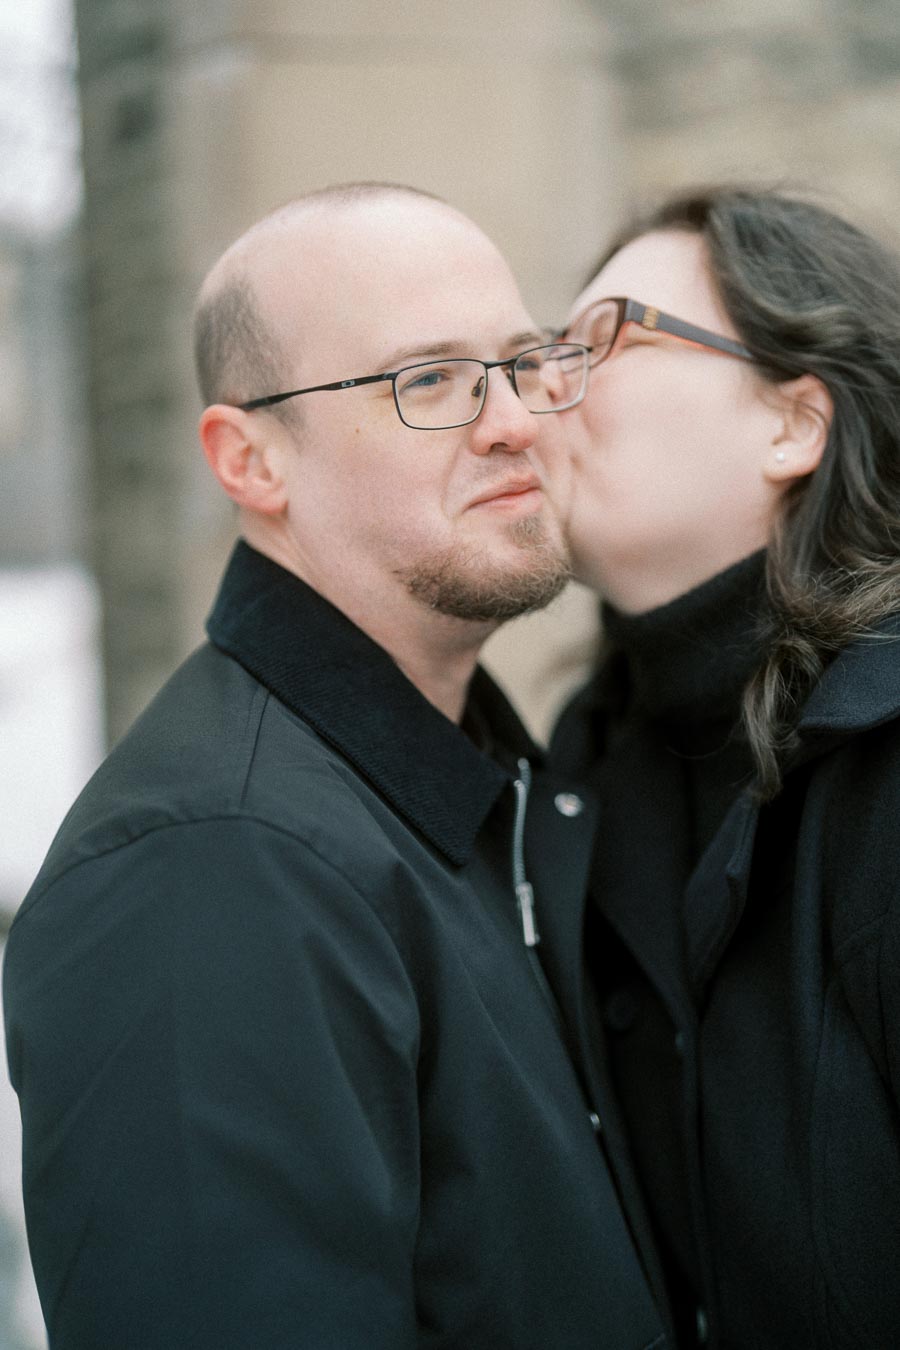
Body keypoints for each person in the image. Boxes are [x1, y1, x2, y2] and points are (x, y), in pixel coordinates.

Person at [3, 183, 668, 1350]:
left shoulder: (474, 773)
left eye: (522, 362)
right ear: (252, 460)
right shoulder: (212, 867)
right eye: (429, 381)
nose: (513, 420)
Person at [550, 186, 900, 1349]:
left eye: (605, 340)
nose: (547, 389)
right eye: (549, 350)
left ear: (793, 423)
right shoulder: (573, 780)